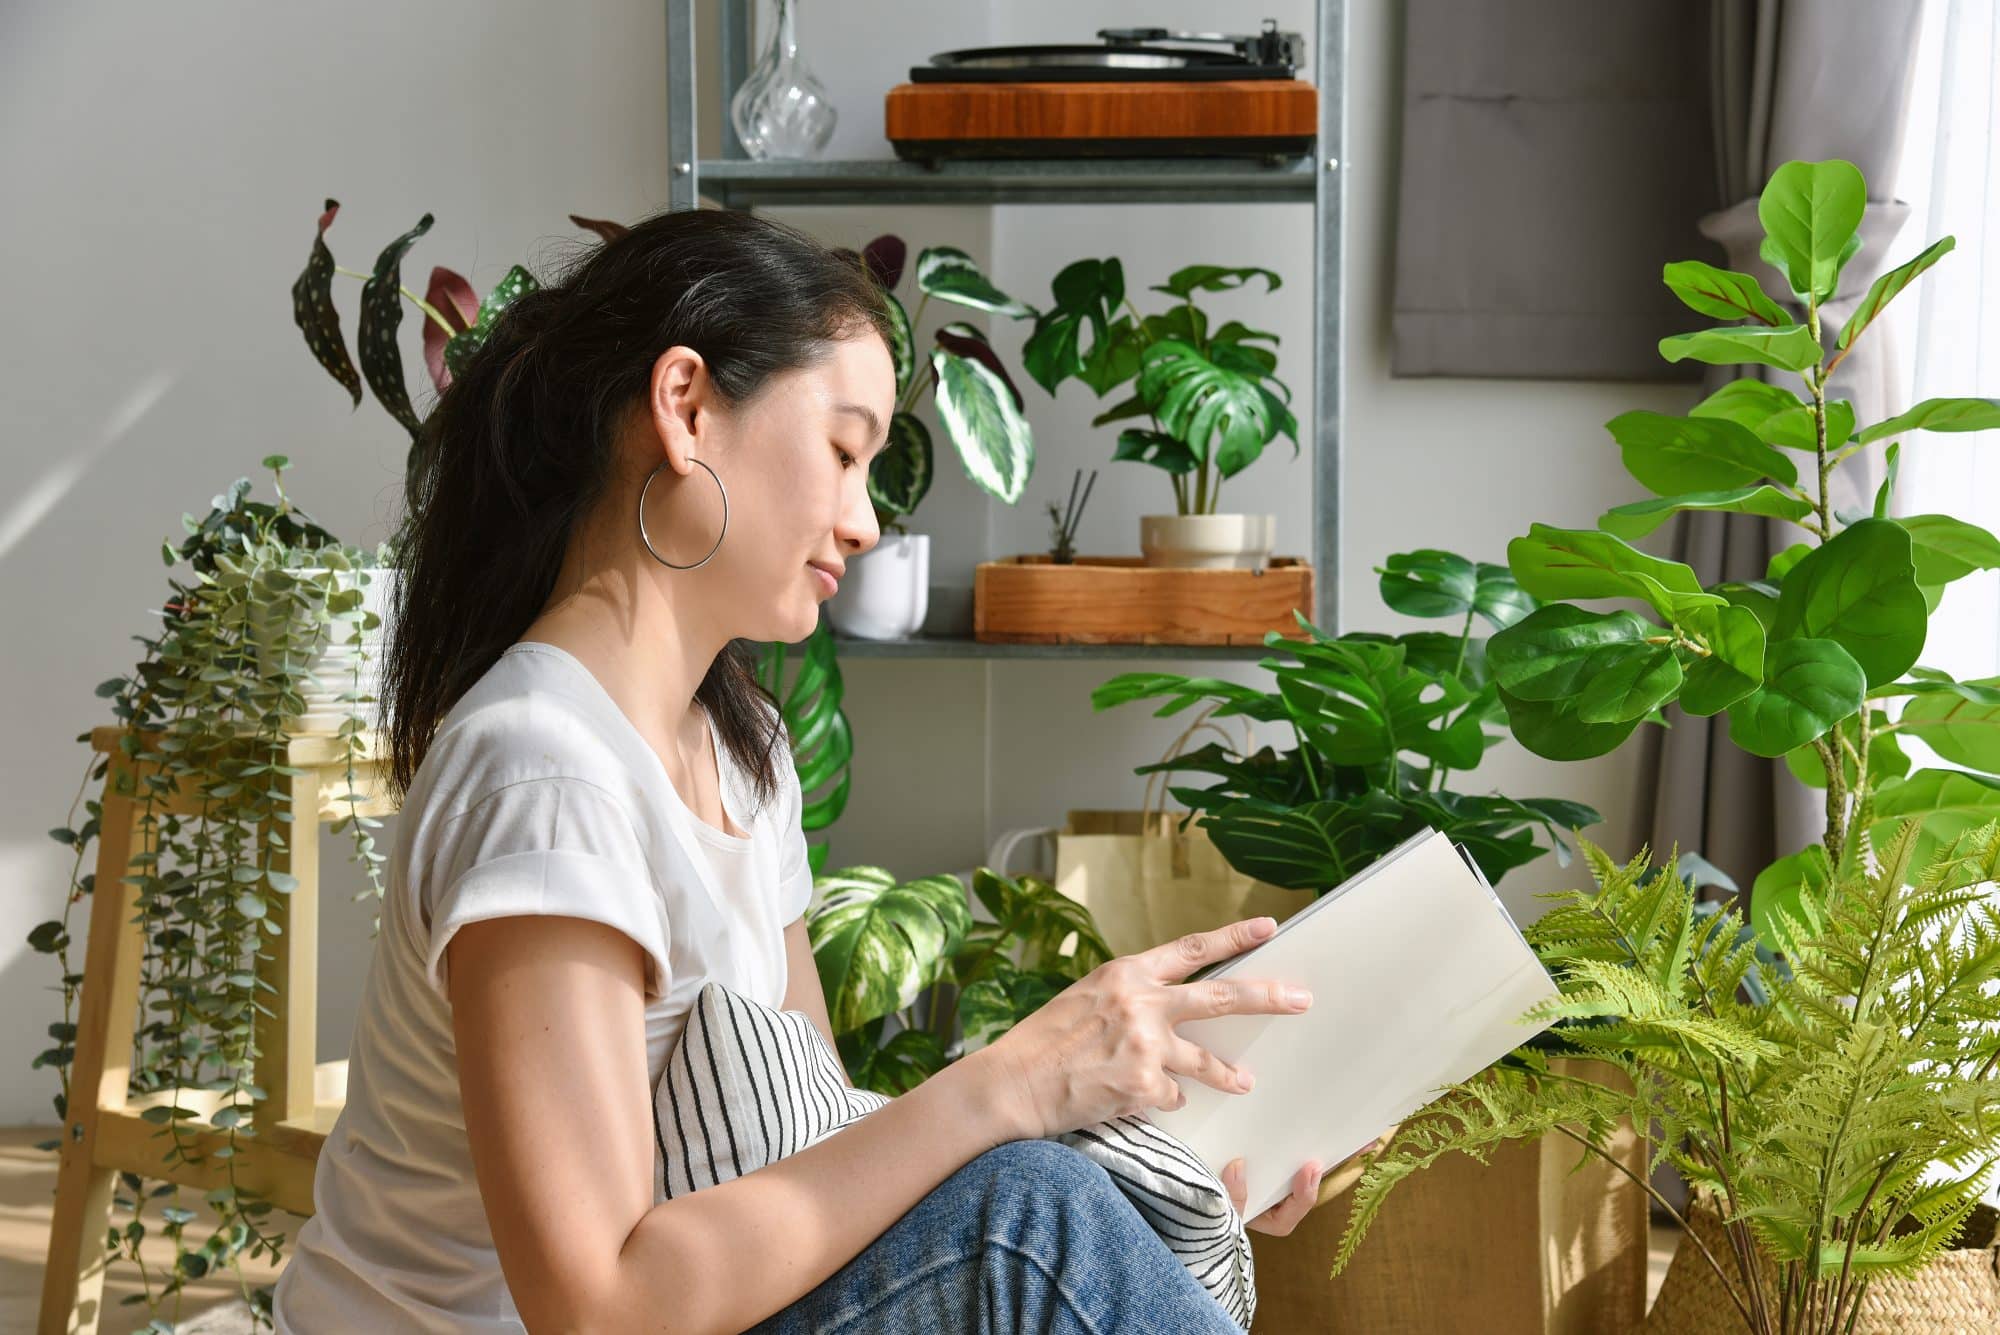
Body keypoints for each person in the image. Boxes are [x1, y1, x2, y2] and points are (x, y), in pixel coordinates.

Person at [272, 208, 1332, 1334]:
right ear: (686, 408)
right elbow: (597, 1308)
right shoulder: (545, 772)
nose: (865, 521)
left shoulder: (745, 755)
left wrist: (1147, 1176)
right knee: (1031, 1215)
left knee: (1071, 1201)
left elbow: (809, 1146)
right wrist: (1011, 1084)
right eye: (841, 451)